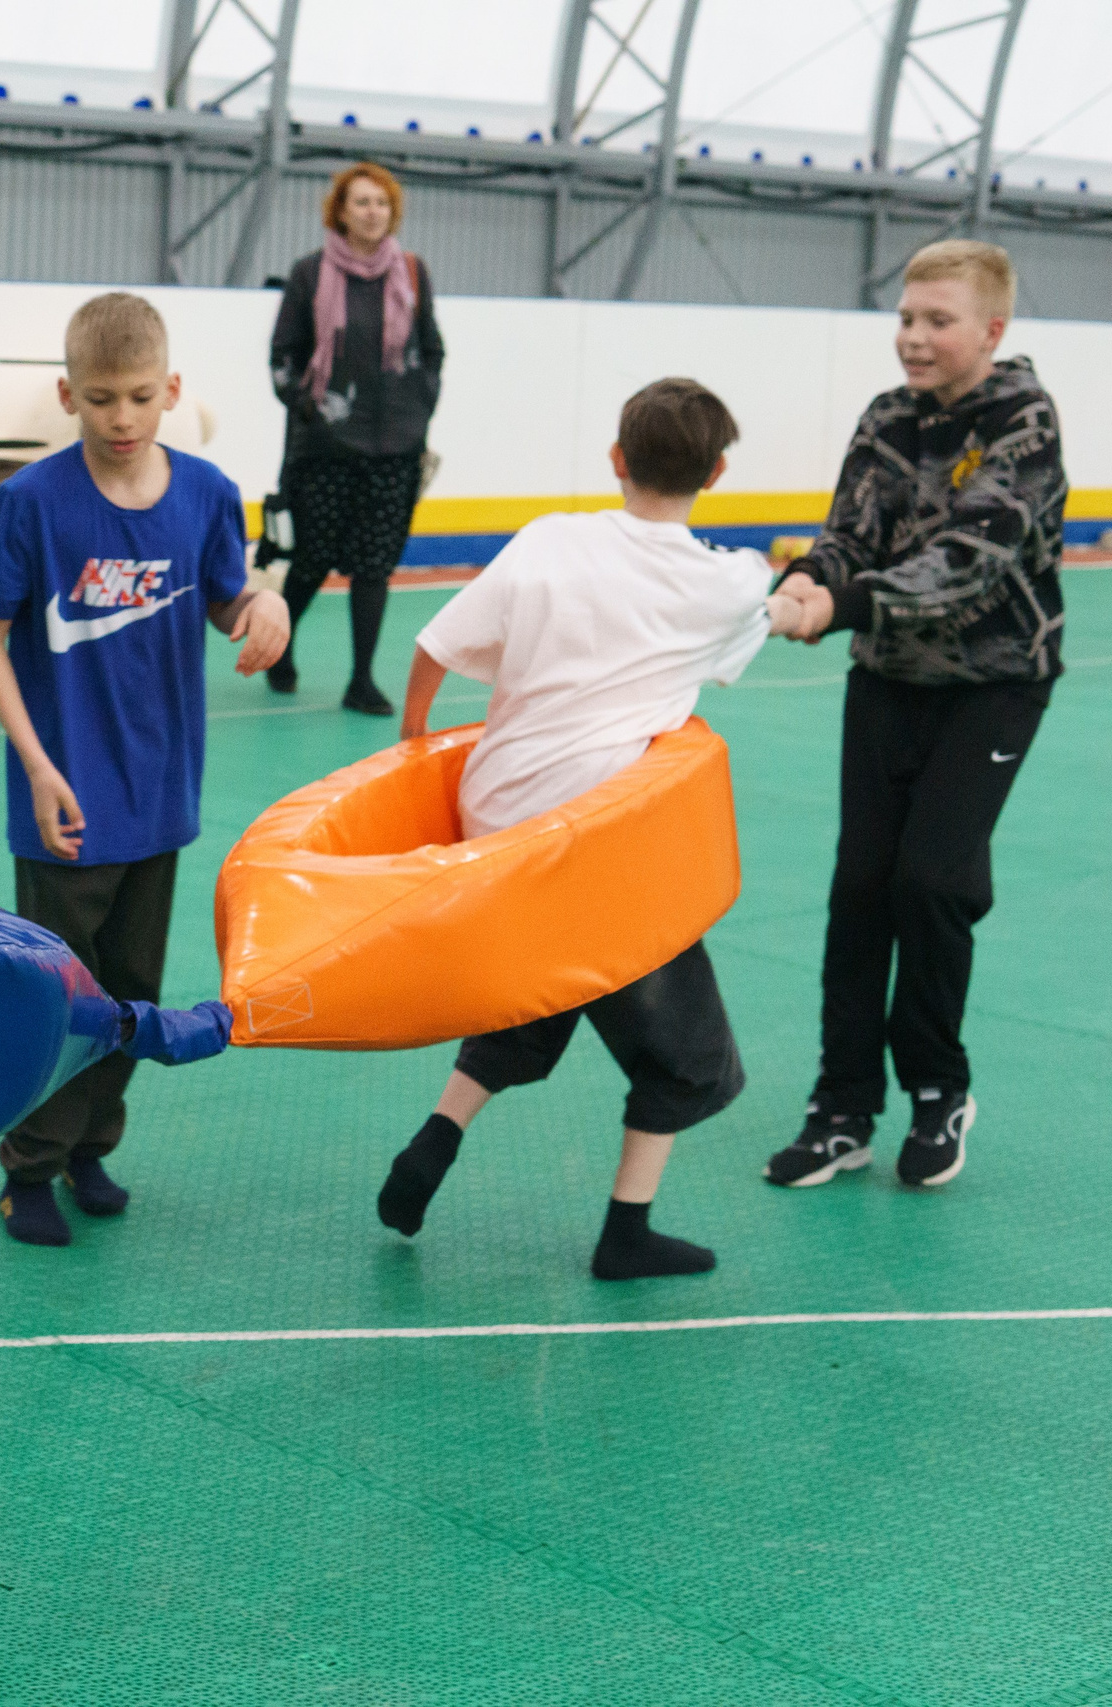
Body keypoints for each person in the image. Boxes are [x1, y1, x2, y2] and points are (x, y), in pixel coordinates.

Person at [373, 379, 832, 1280]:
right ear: (719, 471)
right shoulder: (719, 582)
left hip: (498, 815)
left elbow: (434, 643)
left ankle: (434, 1138)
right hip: (598, 840)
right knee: (685, 1047)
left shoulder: (550, 538)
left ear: (616, 461)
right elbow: (777, 611)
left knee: (542, 983)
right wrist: (806, 597)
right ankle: (628, 1228)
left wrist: (413, 740)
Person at [0, 292, 290, 1247]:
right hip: (64, 796)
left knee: (133, 986)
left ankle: (92, 1142)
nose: (121, 418)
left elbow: (230, 599)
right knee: (61, 992)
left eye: (141, 397)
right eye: (100, 398)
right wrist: (36, 763)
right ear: (68, 395)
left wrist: (262, 607)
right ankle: (29, 1165)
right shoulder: (33, 503)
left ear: (172, 390)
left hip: (160, 793)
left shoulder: (206, 494)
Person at [765, 240, 1065, 1192]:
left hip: (996, 681)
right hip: (888, 679)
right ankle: (842, 1107)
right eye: (905, 317)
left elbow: (975, 558)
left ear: (992, 329)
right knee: (861, 888)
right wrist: (812, 579)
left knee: (931, 881)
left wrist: (842, 605)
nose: (915, 338)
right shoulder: (887, 417)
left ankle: (938, 1090)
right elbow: (849, 530)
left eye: (939, 320)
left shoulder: (1024, 420)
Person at [266, 160, 445, 713]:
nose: (373, 212)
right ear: (340, 211)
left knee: (375, 567)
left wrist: (419, 406)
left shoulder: (412, 273)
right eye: (361, 202)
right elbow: (283, 358)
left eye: (382, 203)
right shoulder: (309, 273)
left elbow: (432, 349)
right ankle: (280, 648)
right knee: (312, 560)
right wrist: (314, 412)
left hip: (395, 448)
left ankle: (361, 680)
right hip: (324, 450)